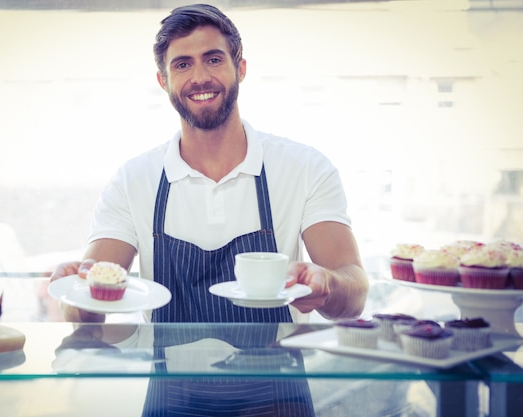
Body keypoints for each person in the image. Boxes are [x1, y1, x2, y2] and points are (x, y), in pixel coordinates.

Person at [49, 4, 369, 415]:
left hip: (279, 401)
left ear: (241, 67)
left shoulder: (304, 167)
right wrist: (70, 288)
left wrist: (327, 283)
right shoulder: (134, 180)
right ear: (163, 80)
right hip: (171, 401)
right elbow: (89, 307)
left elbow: (355, 292)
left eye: (214, 59)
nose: (200, 77)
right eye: (183, 64)